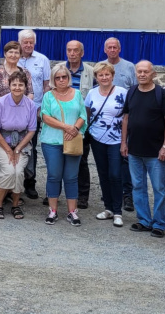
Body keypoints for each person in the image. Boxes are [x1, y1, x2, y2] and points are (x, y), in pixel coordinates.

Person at [121, 60, 165, 237]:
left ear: (153, 74)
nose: (142, 74)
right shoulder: (131, 92)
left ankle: (159, 224)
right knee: (138, 186)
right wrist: (123, 142)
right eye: (139, 71)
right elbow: (126, 118)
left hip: (156, 152)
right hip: (134, 150)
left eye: (146, 71)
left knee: (159, 188)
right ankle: (143, 220)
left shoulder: (161, 93)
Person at [39, 63, 87, 226]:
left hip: (73, 140)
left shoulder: (77, 94)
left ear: (68, 77)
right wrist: (66, 127)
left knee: (71, 177)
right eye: (57, 77)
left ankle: (72, 212)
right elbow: (45, 117)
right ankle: (52, 210)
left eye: (64, 77)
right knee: (54, 175)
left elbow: (83, 115)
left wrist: (75, 129)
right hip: (52, 142)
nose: (61, 80)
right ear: (53, 79)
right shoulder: (48, 96)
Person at [0, 40, 33, 196]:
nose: (13, 55)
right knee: (0, 156)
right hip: (0, 119)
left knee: (18, 159)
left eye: (16, 52)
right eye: (10, 52)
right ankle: (2, 191)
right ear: (5, 54)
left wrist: (22, 108)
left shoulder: (25, 72)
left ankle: (14, 191)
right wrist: (8, 107)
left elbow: (30, 94)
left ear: (20, 55)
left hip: (21, 121)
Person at [0, 69, 36, 219]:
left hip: (22, 144)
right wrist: (9, 151)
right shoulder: (1, 103)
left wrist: (17, 149)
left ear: (25, 87)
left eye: (21, 85)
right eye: (14, 84)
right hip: (2, 143)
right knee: (10, 171)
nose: (17, 87)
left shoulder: (30, 104)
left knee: (18, 171)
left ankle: (15, 205)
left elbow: (31, 130)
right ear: (9, 86)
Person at [84, 62, 126, 227]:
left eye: (107, 74)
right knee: (103, 174)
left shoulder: (123, 92)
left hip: (116, 139)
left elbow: (127, 118)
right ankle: (108, 208)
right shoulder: (91, 93)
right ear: (96, 77)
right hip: (97, 138)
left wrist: (125, 141)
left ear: (112, 75)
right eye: (100, 75)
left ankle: (118, 211)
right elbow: (87, 115)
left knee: (115, 174)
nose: (104, 77)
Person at [17, 28, 51, 199]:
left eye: (31, 42)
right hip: (15, 110)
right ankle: (14, 182)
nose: (28, 45)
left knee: (31, 146)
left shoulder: (42, 60)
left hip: (35, 110)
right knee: (14, 144)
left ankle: (30, 182)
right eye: (25, 42)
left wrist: (42, 109)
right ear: (20, 43)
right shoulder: (13, 58)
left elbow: (47, 86)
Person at [103, 38, 136, 210]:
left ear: (119, 49)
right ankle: (110, 191)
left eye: (115, 47)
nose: (112, 50)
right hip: (105, 123)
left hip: (125, 120)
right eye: (109, 47)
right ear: (105, 50)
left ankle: (127, 194)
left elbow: (135, 91)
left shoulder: (129, 67)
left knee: (125, 158)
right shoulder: (101, 67)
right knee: (107, 159)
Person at [65, 40, 96, 208]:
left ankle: (82, 195)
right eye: (69, 50)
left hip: (82, 124)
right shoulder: (60, 70)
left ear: (82, 53)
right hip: (61, 122)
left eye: (75, 50)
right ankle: (54, 193)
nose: (72, 53)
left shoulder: (91, 72)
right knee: (58, 159)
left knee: (81, 160)